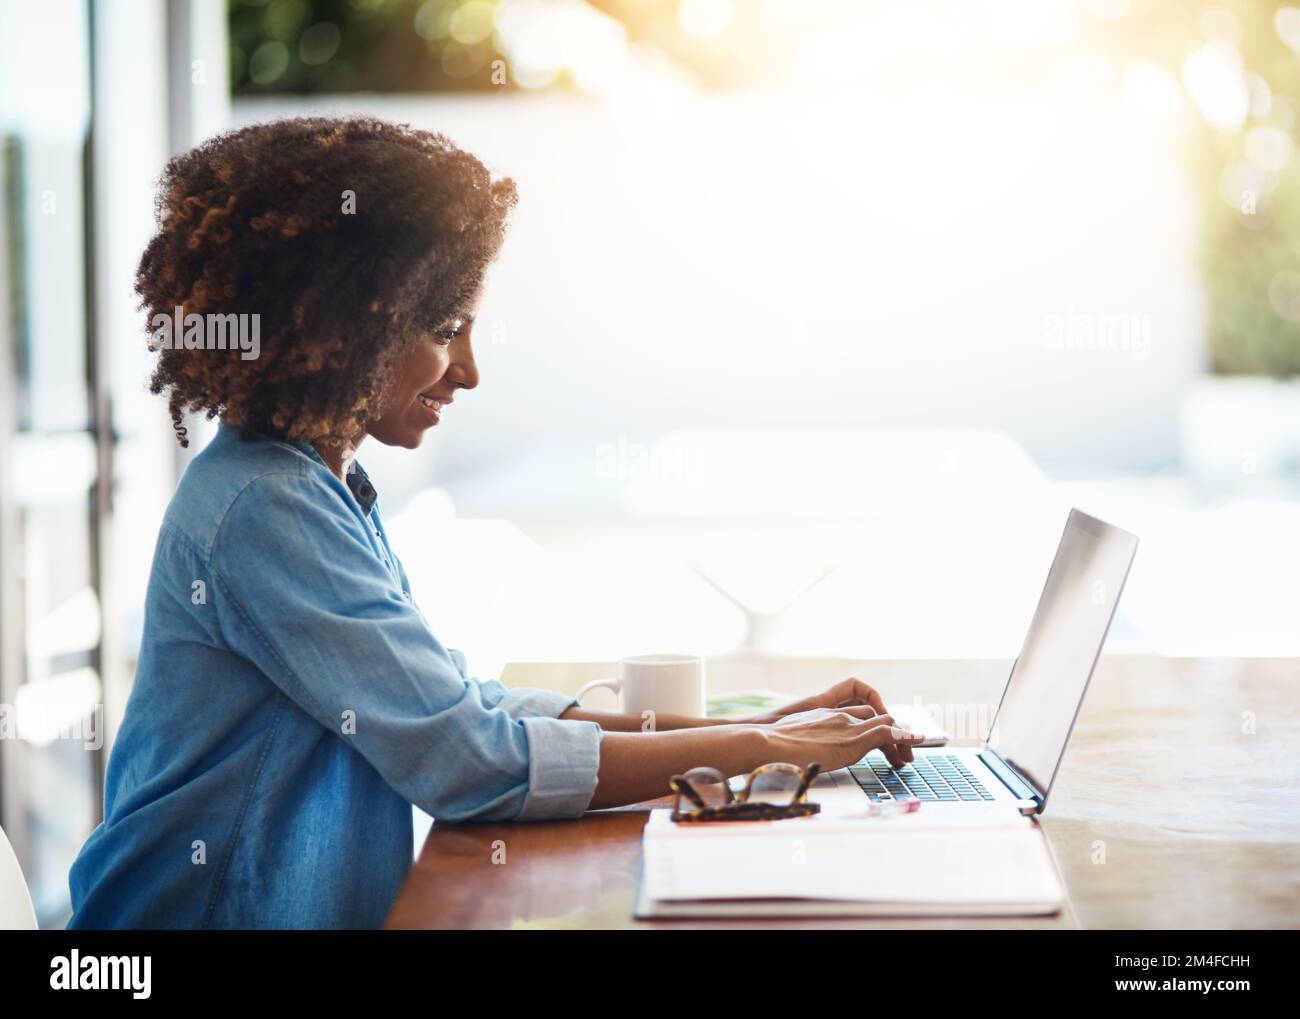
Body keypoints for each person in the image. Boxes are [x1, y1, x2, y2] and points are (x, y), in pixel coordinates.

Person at [65, 116, 921, 929]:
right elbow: (471, 761)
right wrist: (756, 743)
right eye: (445, 329)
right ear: (345, 326)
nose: (469, 371)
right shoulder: (266, 509)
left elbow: (460, 706)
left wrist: (757, 731)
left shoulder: (315, 481)